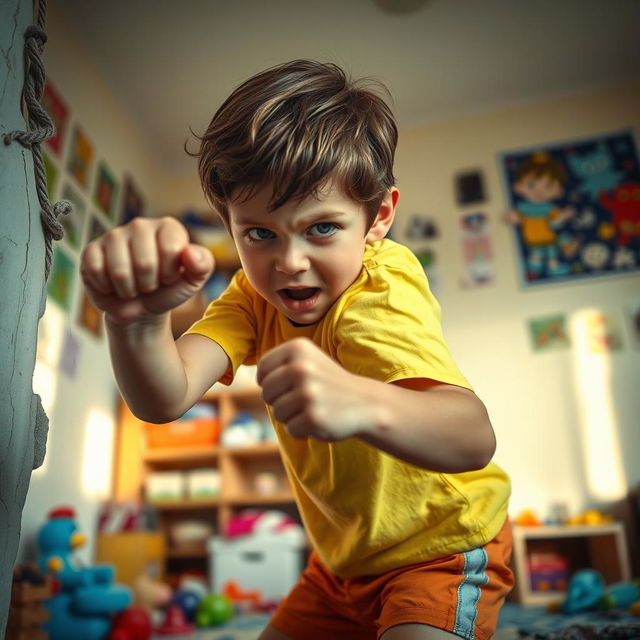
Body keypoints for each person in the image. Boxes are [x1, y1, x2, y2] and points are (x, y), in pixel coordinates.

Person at [81, 60, 512, 640]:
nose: (289, 262)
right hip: (339, 568)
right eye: (260, 233)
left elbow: (472, 438)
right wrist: (136, 321)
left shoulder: (379, 290)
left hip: (441, 547)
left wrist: (363, 402)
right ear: (231, 227)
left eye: (323, 228)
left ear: (378, 216)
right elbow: (167, 397)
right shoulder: (251, 297)